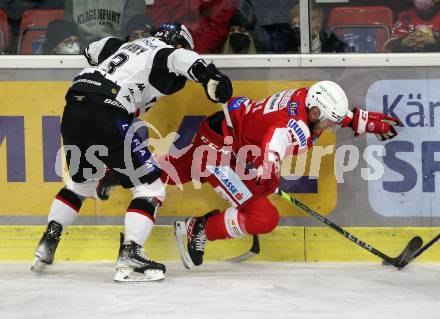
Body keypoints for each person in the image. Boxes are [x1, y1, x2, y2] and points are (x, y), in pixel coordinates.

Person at [31, 22, 233, 282]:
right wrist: (211, 76)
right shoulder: (164, 50)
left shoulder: (123, 46)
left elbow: (93, 50)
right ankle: (131, 253)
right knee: (151, 189)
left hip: (74, 107)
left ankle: (49, 239)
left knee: (82, 183)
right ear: (178, 42)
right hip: (107, 110)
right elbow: (179, 57)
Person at [166, 81, 400, 268]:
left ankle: (141, 179)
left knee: (160, 174)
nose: (329, 126)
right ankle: (199, 228)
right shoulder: (296, 127)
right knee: (263, 218)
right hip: (218, 152)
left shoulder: (307, 97)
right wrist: (269, 165)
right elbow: (276, 137)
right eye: (329, 121)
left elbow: (327, 113)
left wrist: (362, 121)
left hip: (225, 134)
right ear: (316, 111)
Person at [147, 0, 236, 53]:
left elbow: (217, 29)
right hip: (169, 55)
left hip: (205, 60)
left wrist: (189, 53)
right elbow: (158, 25)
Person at [64, 0, 146, 47]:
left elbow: (135, 34)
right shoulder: (72, 1)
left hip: (118, 56)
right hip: (82, 57)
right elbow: (69, 32)